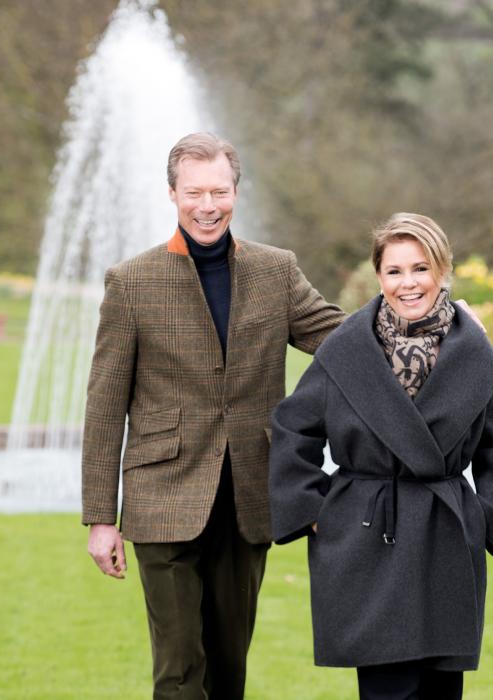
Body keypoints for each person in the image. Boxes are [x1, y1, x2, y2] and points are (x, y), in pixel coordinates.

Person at [81, 132, 346, 700]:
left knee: (229, 669)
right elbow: (104, 406)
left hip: (249, 493)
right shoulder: (131, 283)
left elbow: (337, 338)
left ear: (235, 193)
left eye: (219, 192)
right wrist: (101, 517)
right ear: (173, 194)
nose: (208, 206)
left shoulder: (276, 271)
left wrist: (430, 323)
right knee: (179, 671)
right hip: (161, 496)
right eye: (195, 192)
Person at [269, 212, 493, 700]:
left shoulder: (473, 351)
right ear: (379, 277)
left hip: (447, 533)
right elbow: (292, 429)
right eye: (395, 271)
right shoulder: (346, 350)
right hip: (369, 539)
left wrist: (484, 518)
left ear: (442, 270)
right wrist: (317, 512)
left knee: (441, 690)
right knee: (388, 689)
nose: (409, 283)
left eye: (421, 268)